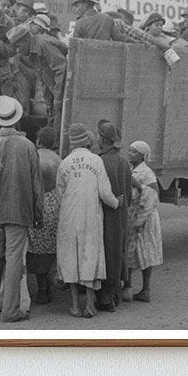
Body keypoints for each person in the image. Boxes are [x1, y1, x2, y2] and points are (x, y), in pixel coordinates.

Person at [0, 95, 43, 323]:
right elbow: (36, 184)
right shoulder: (28, 146)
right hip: (20, 211)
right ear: (17, 120)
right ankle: (10, 311)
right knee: (14, 260)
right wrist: (38, 212)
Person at [56, 122, 119, 318]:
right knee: (90, 255)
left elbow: (60, 194)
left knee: (71, 258)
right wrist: (116, 203)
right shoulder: (96, 161)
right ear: (87, 140)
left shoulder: (64, 163)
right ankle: (90, 305)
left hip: (69, 216)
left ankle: (75, 305)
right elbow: (105, 192)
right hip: (90, 216)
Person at [96, 120, 133, 313]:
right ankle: (115, 292)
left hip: (105, 214)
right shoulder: (124, 161)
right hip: (120, 214)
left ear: (102, 139)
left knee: (105, 253)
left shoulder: (99, 161)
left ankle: (105, 296)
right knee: (117, 251)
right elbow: (129, 194)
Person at [26, 126, 62, 304]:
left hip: (38, 204)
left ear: (38, 140)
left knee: (37, 251)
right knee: (51, 250)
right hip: (55, 205)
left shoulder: (34, 156)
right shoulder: (58, 159)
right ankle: (50, 286)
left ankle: (41, 290)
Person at [125, 140, 163, 303]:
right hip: (134, 214)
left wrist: (138, 185)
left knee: (145, 251)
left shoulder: (146, 173)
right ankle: (127, 286)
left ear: (142, 156)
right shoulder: (131, 169)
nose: (129, 154)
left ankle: (146, 289)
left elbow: (154, 194)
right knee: (130, 251)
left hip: (145, 217)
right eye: (129, 151)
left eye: (133, 152)